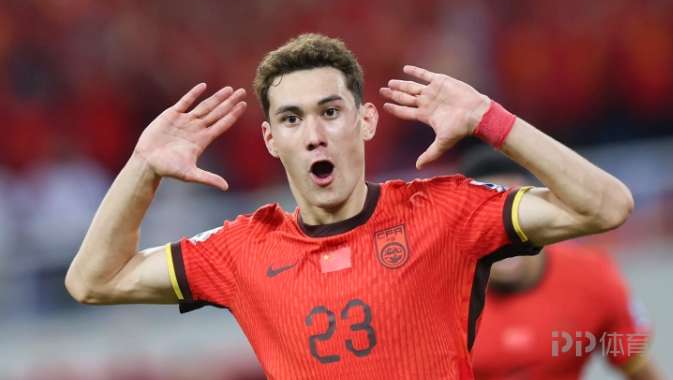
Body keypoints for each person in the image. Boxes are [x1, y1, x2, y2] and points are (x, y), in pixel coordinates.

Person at [65, 34, 634, 379]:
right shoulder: (240, 250)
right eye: (292, 119)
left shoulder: (445, 213)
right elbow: (92, 280)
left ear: (366, 122)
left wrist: (491, 119)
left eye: (331, 112)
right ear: (270, 140)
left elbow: (606, 206)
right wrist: (143, 166)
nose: (314, 134)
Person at [463, 148, 663, 380]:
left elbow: (636, 364)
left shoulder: (592, 277)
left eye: (514, 214)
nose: (503, 231)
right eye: (486, 218)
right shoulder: (439, 292)